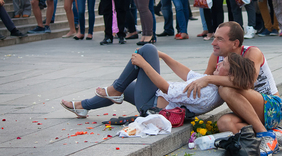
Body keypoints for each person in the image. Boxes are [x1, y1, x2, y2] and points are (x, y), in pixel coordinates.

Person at [184, 21, 282, 156]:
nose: (213, 42)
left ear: (235, 43)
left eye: (220, 39)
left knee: (225, 90)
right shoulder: (216, 58)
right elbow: (205, 86)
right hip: (246, 110)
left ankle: (264, 134)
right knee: (224, 123)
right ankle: (276, 136)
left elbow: (247, 83)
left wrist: (209, 79)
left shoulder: (252, 52)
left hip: (271, 107)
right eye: (214, 37)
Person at [60, 44, 255, 119]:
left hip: (150, 104)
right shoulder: (210, 82)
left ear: (231, 73)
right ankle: (82, 106)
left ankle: (115, 89)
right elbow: (185, 72)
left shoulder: (207, 91)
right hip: (153, 97)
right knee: (126, 85)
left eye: (224, 65)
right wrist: (163, 55)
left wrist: (145, 64)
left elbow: (165, 87)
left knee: (147, 50)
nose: (218, 64)